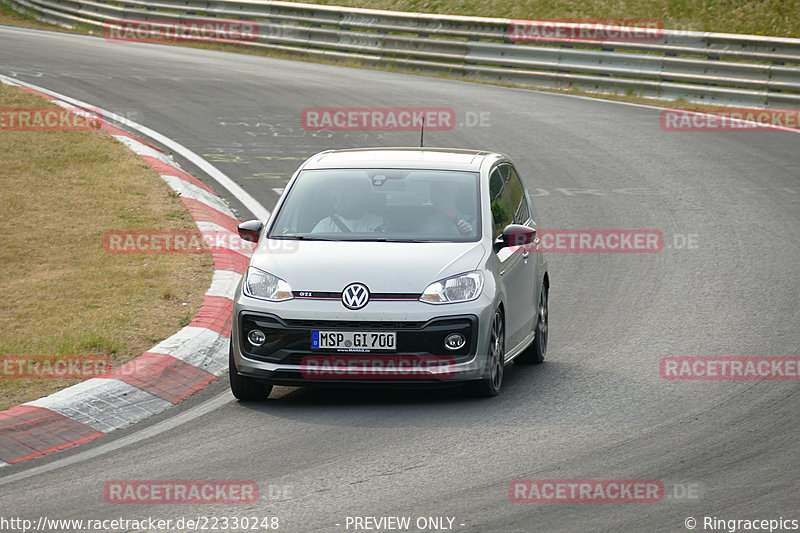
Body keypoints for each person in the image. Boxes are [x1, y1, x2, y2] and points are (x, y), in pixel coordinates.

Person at [312, 179, 386, 233]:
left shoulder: (379, 223)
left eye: (344, 197)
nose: (339, 202)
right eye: (334, 199)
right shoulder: (325, 225)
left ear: (357, 196)